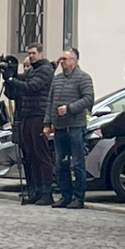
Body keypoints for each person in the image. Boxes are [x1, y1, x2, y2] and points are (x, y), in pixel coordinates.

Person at [6, 44, 55, 205]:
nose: (31, 56)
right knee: (30, 154)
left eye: (33, 53)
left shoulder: (45, 69)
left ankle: (47, 192)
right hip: (27, 114)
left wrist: (13, 79)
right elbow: (18, 87)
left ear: (41, 53)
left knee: (41, 154)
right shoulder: (33, 70)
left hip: (39, 114)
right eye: (29, 53)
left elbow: (32, 86)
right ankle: (36, 189)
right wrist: (9, 76)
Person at [47, 48, 95, 209]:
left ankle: (78, 197)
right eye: (61, 59)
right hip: (60, 126)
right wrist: (47, 123)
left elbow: (88, 99)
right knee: (60, 163)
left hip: (75, 125)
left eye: (65, 59)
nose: (62, 62)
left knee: (77, 163)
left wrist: (69, 108)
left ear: (74, 60)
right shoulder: (57, 79)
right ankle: (65, 195)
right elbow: (50, 101)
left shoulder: (83, 78)